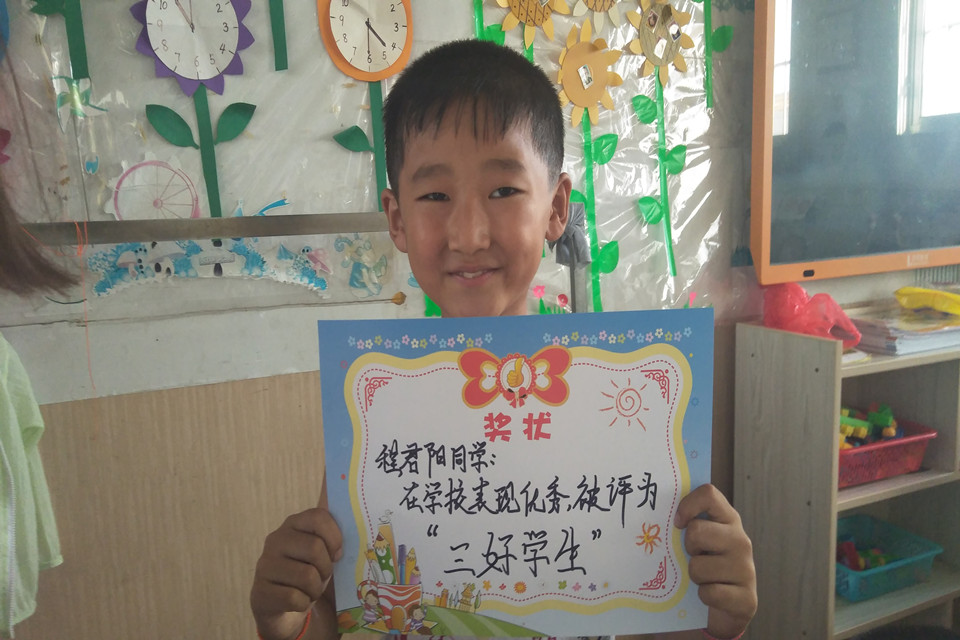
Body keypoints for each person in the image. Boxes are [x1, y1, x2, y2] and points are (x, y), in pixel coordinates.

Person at [250, 39, 757, 640]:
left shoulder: (621, 406)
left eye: (503, 191)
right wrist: (282, 619)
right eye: (435, 196)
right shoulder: (379, 411)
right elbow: (344, 620)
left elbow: (651, 609)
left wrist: (719, 619)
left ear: (557, 208)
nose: (468, 234)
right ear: (397, 219)